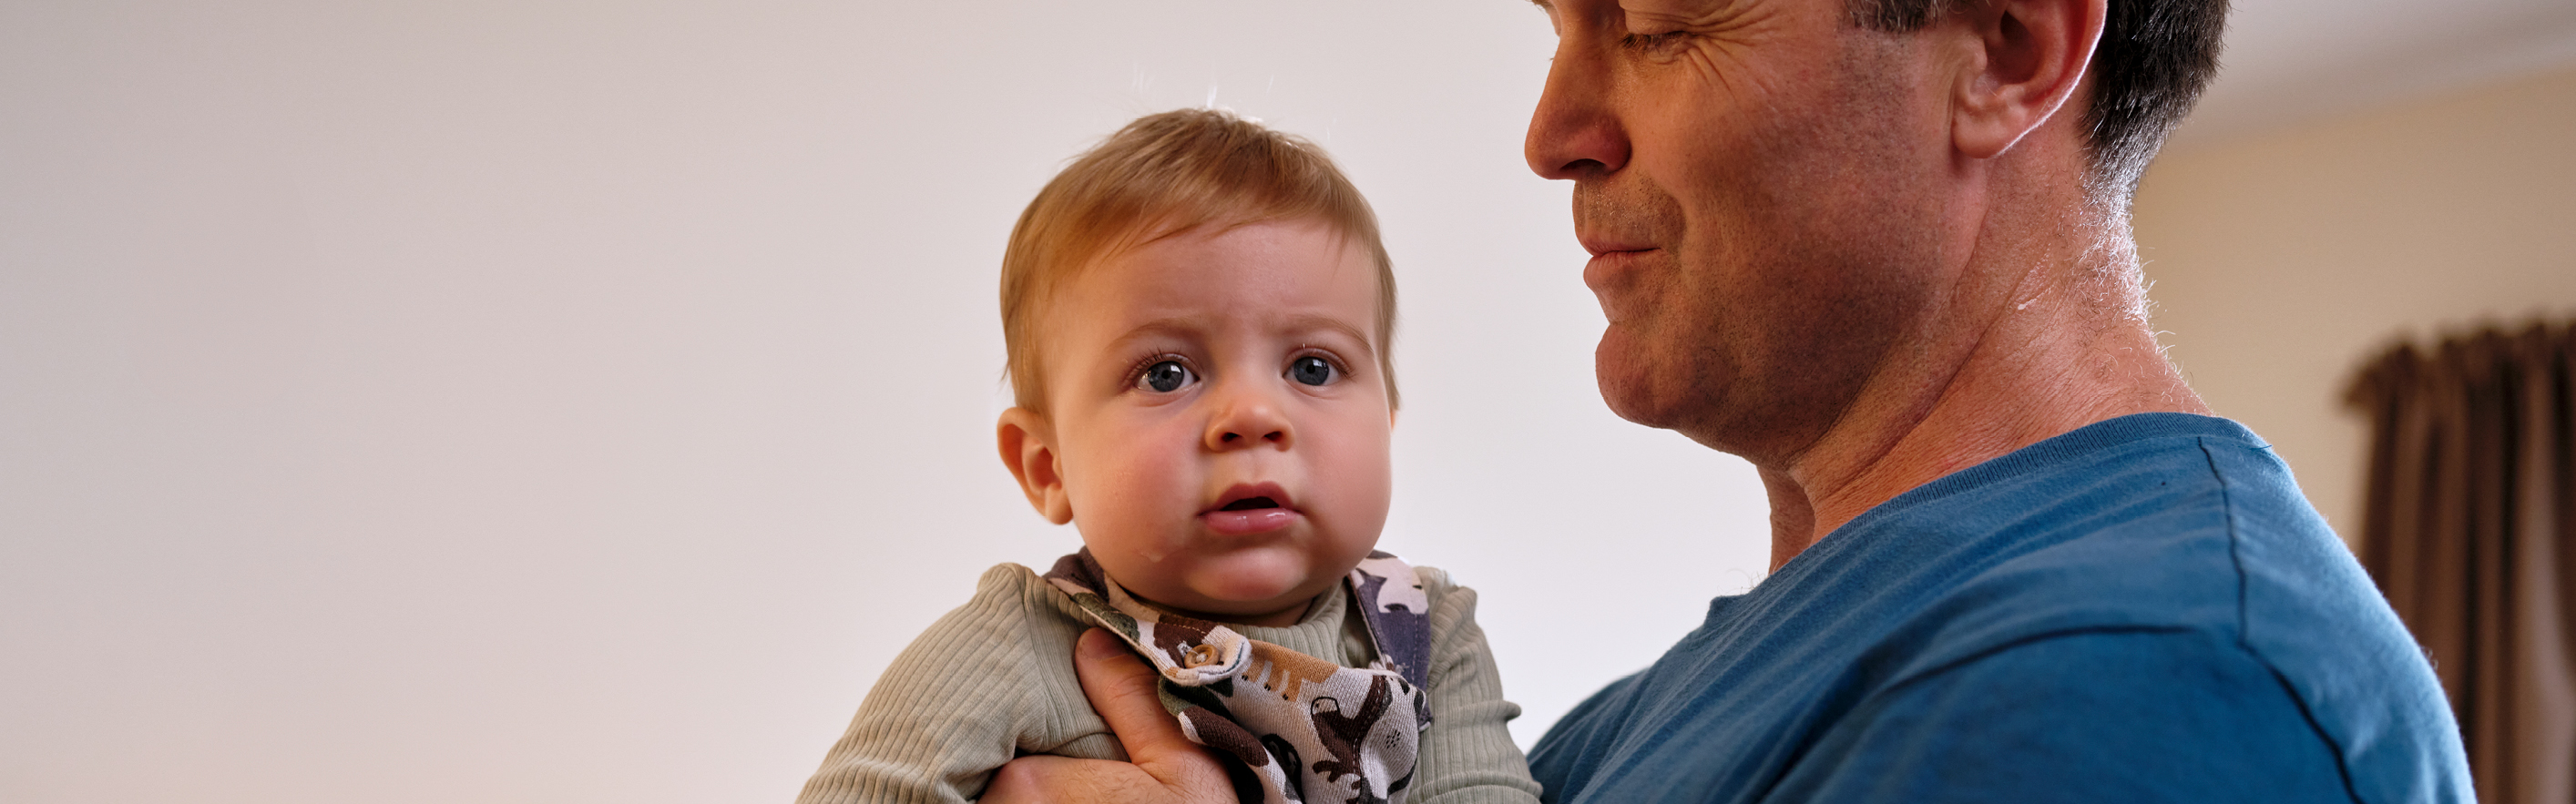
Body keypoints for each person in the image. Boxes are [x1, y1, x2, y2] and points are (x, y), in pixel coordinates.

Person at [978, 0, 2477, 802]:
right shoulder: (1620, 729)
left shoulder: (2148, 676)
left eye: (1658, 19)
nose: (1553, 131)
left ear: (2004, 49)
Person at [795, 109, 1544, 804]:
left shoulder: (1429, 634)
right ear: (1047, 465)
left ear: (1386, 421)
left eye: (1312, 367)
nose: (1251, 415)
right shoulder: (1015, 644)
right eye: (1165, 373)